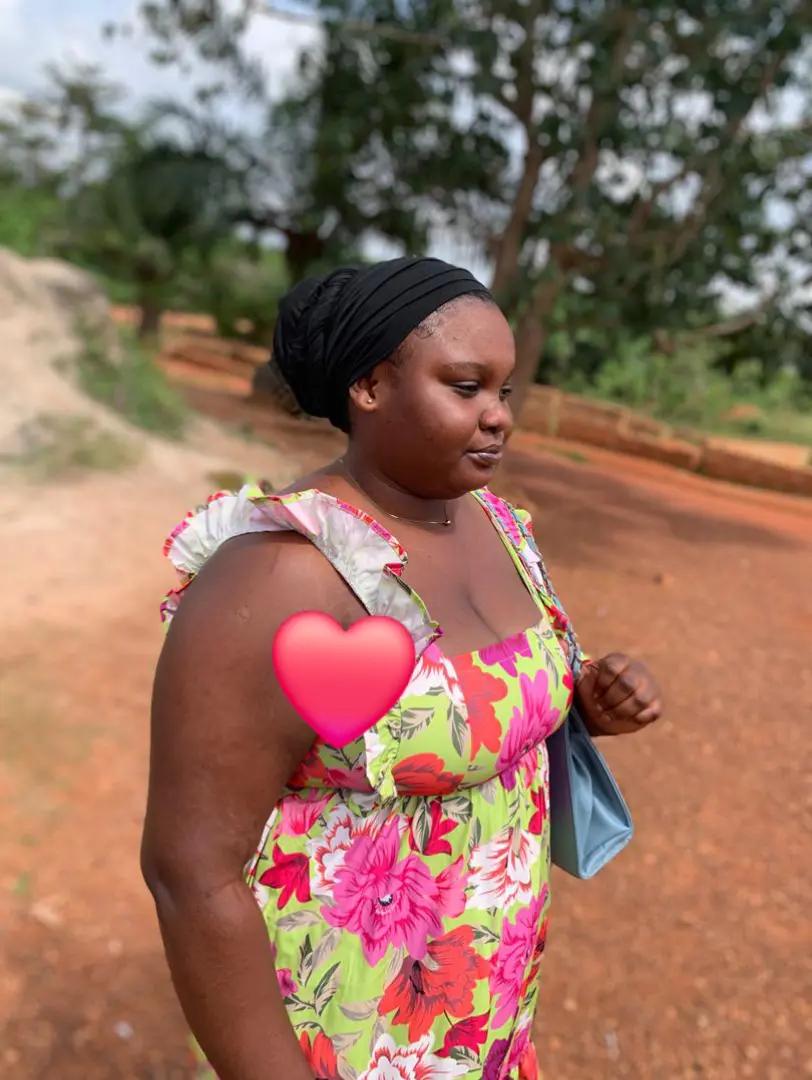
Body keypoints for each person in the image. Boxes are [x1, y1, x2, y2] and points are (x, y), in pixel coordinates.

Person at [141, 256, 663, 1080]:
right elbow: (190, 872)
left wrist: (586, 701)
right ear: (370, 386)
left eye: (505, 391)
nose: (498, 417)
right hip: (346, 1040)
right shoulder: (283, 575)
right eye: (466, 387)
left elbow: (471, 713)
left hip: (481, 1026)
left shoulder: (498, 526)